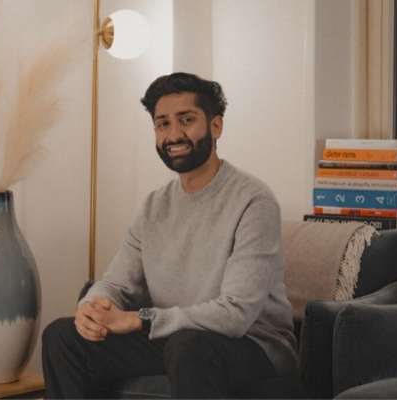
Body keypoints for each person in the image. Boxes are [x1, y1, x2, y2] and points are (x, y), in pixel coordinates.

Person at [42, 72, 298, 399]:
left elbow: (235, 315)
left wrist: (141, 319)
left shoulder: (254, 201)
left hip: (252, 345)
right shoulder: (154, 206)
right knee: (62, 335)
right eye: (162, 124)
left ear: (216, 126)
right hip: (175, 339)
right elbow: (116, 284)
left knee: (189, 346)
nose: (174, 134)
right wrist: (92, 309)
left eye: (186, 120)